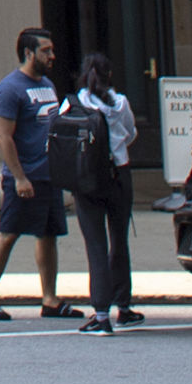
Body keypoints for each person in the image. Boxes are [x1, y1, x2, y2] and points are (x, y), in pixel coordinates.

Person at [0, 25, 69, 321]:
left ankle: (50, 299)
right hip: (24, 176)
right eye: (46, 50)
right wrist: (19, 177)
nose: (52, 55)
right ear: (28, 53)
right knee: (8, 233)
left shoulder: (48, 85)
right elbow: (4, 137)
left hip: (49, 175)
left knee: (49, 234)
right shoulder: (9, 89)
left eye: (51, 50)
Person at [55, 49, 141, 333]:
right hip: (119, 175)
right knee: (119, 241)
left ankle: (101, 314)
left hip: (88, 178)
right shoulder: (120, 103)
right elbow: (130, 134)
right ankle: (124, 307)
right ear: (110, 75)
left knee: (95, 244)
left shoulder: (74, 102)